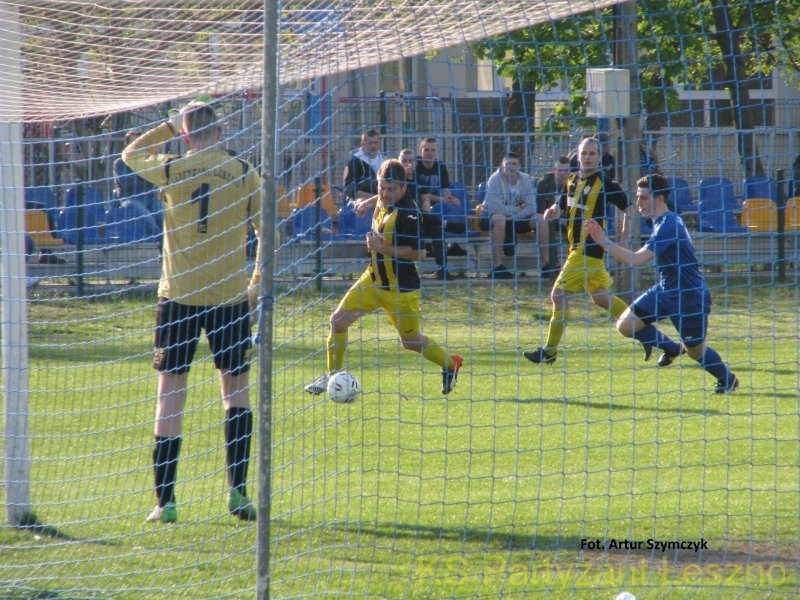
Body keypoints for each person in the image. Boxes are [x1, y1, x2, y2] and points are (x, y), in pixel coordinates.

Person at [122, 102, 263, 524]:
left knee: (170, 395)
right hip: (230, 298)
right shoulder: (243, 172)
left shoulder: (170, 167)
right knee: (236, 392)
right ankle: (238, 493)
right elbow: (268, 232)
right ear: (220, 132)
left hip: (179, 298)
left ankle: (165, 503)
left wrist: (169, 125)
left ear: (184, 135)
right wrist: (257, 285)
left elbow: (129, 154)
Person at [305, 159, 463, 397]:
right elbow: (379, 198)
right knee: (337, 321)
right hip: (373, 279)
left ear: (403, 188)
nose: (385, 194)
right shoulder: (383, 198)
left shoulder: (407, 215)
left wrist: (382, 247)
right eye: (382, 187)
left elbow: (419, 253)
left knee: (410, 342)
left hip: (401, 290)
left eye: (391, 189)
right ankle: (332, 376)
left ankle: (451, 364)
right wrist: (365, 203)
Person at [585, 174, 739, 393]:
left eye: (644, 197)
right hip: (666, 290)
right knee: (625, 325)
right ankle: (671, 348)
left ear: (659, 198)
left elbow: (636, 260)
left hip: (688, 296)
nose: (639, 203)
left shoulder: (668, 224)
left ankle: (728, 379)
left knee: (695, 350)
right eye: (638, 197)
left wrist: (603, 241)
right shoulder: (660, 221)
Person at [523, 136, 630, 365]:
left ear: (599, 157)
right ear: (578, 156)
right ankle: (653, 336)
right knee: (601, 298)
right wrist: (553, 210)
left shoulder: (606, 183)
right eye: (584, 153)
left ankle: (549, 351)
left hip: (588, 248)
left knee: (558, 295)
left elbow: (629, 209)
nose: (588, 157)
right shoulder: (571, 180)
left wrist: (624, 240)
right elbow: (562, 205)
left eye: (592, 153)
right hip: (576, 248)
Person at [480, 152, 555, 279]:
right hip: (490, 216)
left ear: (519, 166)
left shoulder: (525, 179)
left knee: (540, 219)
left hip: (515, 217)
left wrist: (513, 216)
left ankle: (547, 265)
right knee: (500, 218)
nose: (511, 167)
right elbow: (494, 208)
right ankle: (497, 266)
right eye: (508, 164)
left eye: (514, 164)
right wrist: (516, 209)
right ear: (502, 166)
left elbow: (531, 207)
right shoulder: (494, 180)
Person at [414, 137, 467, 266]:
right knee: (426, 208)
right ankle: (444, 229)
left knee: (456, 203)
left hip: (438, 203)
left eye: (433, 150)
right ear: (421, 151)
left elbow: (445, 189)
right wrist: (441, 199)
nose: (430, 153)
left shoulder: (440, 165)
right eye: (426, 150)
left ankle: (452, 244)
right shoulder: (415, 166)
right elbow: (422, 195)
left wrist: (449, 198)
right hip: (420, 204)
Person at [113, 129, 163, 240]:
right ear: (127, 145)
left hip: (149, 197)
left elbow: (154, 180)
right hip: (130, 198)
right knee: (147, 217)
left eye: (138, 143)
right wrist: (144, 178)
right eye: (132, 143)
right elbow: (128, 184)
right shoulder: (119, 163)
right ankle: (161, 239)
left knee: (164, 215)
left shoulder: (148, 161)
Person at [535, 155, 572, 269]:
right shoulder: (544, 184)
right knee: (542, 221)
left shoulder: (575, 183)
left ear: (570, 171)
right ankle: (550, 263)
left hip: (569, 219)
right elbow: (540, 210)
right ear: (554, 170)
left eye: (566, 170)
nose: (563, 173)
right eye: (560, 170)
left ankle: (573, 264)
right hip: (550, 218)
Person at [342, 128, 386, 207]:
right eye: (370, 143)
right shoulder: (355, 161)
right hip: (359, 200)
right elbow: (348, 188)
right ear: (363, 144)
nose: (373, 145)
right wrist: (373, 197)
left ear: (379, 143)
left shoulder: (383, 159)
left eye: (375, 142)